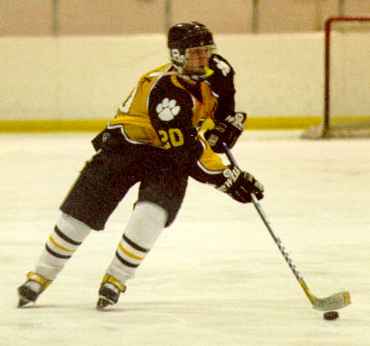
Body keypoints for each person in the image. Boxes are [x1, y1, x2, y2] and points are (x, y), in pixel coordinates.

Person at [17, 21, 264, 310]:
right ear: (177, 55)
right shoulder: (165, 92)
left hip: (167, 156)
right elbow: (186, 150)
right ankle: (41, 275)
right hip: (124, 149)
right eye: (196, 53)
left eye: (206, 51)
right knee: (81, 212)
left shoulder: (218, 70)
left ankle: (116, 278)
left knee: (153, 212)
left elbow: (222, 107)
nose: (203, 58)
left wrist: (224, 126)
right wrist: (228, 178)